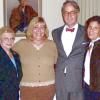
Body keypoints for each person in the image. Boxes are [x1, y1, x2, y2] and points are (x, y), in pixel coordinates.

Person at [13, 16, 58, 100]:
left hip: (48, 88)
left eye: (42, 27)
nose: (39, 30)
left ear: (45, 30)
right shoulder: (20, 44)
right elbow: (7, 57)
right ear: (31, 29)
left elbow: (59, 65)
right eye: (36, 27)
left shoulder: (52, 45)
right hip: (27, 89)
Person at [52, 1, 87, 100]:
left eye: (72, 12)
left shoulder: (87, 32)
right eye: (66, 12)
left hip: (78, 80)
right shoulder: (55, 33)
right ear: (62, 14)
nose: (69, 15)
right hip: (60, 80)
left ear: (77, 13)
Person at [0, 26, 23, 100]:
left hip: (14, 93)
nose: (9, 41)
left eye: (12, 38)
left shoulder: (16, 55)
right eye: (6, 39)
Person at [84, 16, 100, 100]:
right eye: (90, 27)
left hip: (97, 90)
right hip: (86, 86)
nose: (91, 30)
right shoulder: (88, 45)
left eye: (95, 28)